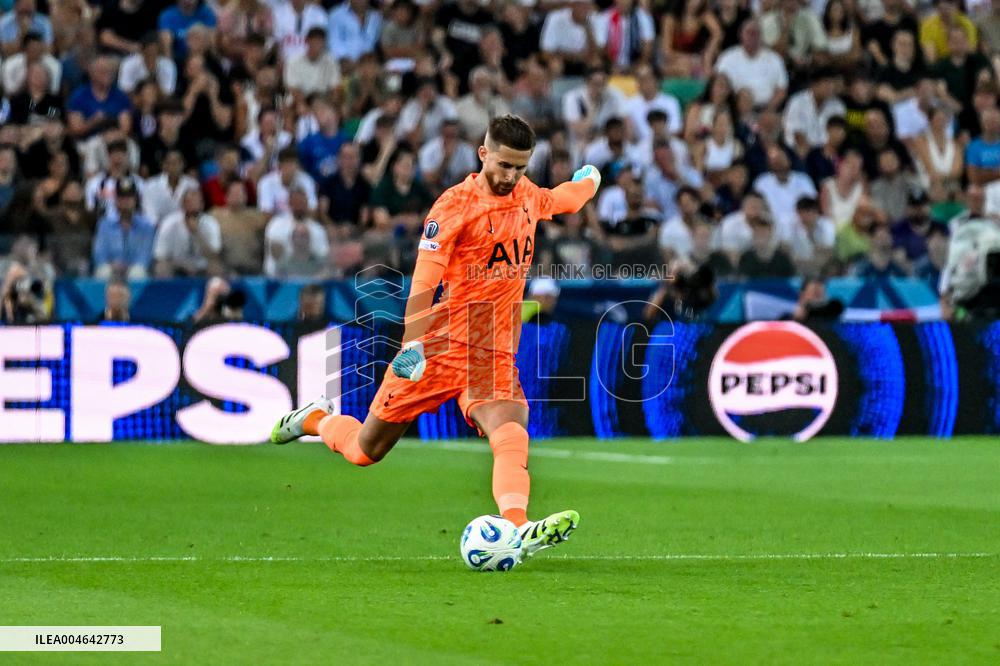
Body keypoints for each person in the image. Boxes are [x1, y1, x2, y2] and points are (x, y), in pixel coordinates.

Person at [268, 115, 600, 561]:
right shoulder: (454, 206)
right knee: (367, 450)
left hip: (491, 349)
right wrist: (413, 344)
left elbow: (563, 199)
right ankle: (316, 420)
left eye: (520, 168)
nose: (510, 177)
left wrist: (589, 181)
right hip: (439, 345)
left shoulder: (526, 196)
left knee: (510, 429)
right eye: (503, 165)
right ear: (483, 154)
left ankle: (519, 529)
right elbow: (424, 281)